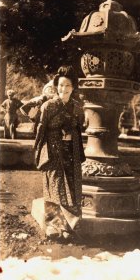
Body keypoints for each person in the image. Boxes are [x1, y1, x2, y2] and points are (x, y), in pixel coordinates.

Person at [34, 65, 86, 240]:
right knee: (54, 187)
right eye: (61, 85)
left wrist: (72, 134)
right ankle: (54, 227)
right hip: (52, 151)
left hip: (71, 152)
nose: (63, 89)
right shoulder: (48, 106)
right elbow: (40, 130)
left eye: (68, 86)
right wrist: (39, 153)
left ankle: (68, 228)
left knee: (71, 187)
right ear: (56, 86)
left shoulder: (77, 108)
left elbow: (79, 128)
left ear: (73, 88)